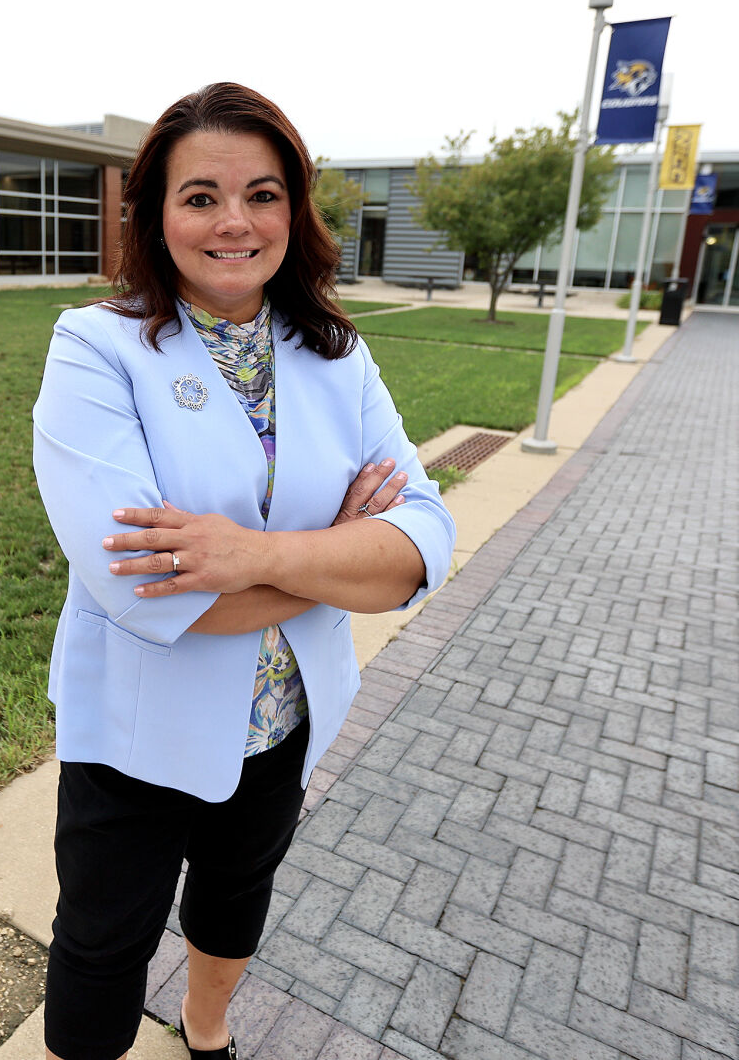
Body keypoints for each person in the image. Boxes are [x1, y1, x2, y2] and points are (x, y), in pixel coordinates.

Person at [31, 81, 455, 1060]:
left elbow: (418, 549)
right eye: (200, 196)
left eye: (263, 193)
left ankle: (206, 1023)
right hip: (135, 729)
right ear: (154, 213)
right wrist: (336, 553)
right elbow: (142, 590)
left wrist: (249, 555)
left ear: (293, 210)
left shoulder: (334, 355)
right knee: (101, 940)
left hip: (282, 716)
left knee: (234, 897)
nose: (234, 221)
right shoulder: (95, 349)